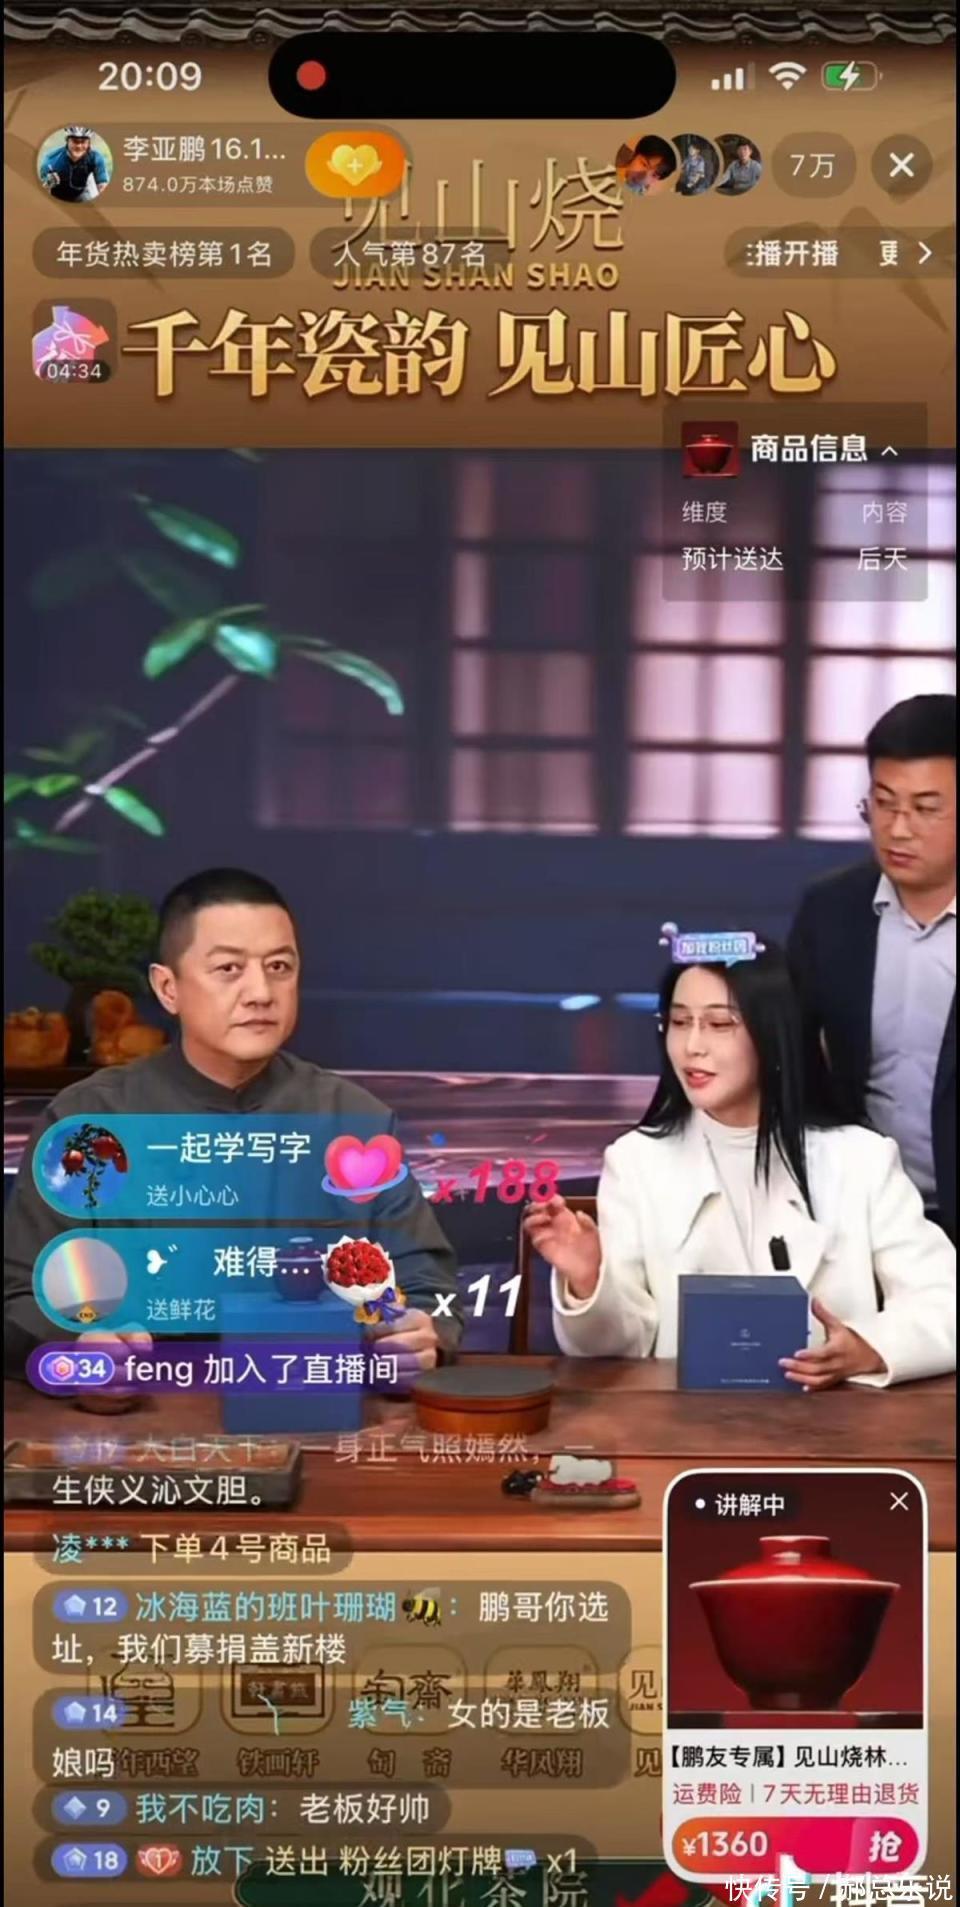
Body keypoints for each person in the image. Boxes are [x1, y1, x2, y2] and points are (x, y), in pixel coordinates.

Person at [4, 868, 461, 1379]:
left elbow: (429, 1291)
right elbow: (22, 1297)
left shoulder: (353, 1121)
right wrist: (79, 1349)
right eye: (228, 968)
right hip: (146, 1410)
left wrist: (422, 1336)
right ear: (168, 988)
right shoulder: (89, 1122)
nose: (261, 992)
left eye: (279, 967)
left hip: (314, 1403)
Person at [524, 946, 955, 1387]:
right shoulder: (636, 1161)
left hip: (833, 1416)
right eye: (679, 1022)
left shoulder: (860, 1159)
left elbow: (946, 1302)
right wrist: (589, 1280)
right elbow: (621, 1345)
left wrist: (867, 1347)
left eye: (719, 1024)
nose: (692, 1046)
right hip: (680, 1419)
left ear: (774, 1035)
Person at [788, 694, 956, 1240]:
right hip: (861, 1224)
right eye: (883, 804)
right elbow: (790, 1058)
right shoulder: (830, 911)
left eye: (926, 809)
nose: (898, 829)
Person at [40, 127, 110, 203]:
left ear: (89, 143)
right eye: (75, 141)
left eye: (83, 142)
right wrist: (48, 184)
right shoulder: (51, 161)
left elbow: (102, 187)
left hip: (81, 193)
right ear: (67, 141)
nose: (79, 146)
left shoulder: (95, 158)